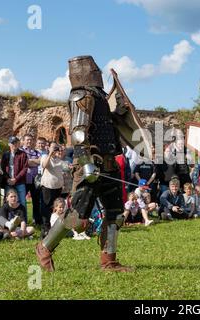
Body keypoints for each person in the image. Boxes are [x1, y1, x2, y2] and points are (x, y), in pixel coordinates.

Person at [36, 55, 149, 272]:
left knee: (115, 215)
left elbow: (106, 126)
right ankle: (44, 247)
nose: (99, 72)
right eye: (95, 69)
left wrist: (119, 113)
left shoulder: (99, 98)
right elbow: (78, 134)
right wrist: (87, 165)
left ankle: (109, 261)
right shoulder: (81, 96)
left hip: (109, 164)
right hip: (91, 165)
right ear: (86, 72)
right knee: (78, 219)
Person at [40, 142, 69, 238]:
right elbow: (44, 165)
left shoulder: (59, 160)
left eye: (56, 148)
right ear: (48, 148)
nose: (55, 150)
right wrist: (50, 154)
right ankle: (45, 229)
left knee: (56, 208)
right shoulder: (45, 156)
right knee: (46, 208)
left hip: (58, 188)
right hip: (48, 187)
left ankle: (55, 228)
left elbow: (66, 168)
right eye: (53, 148)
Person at [1, 136, 28, 219]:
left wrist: (16, 179)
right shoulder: (6, 154)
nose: (14, 144)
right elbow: (2, 168)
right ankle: (5, 222)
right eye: (12, 143)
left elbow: (25, 168)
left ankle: (24, 222)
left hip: (20, 182)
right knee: (7, 202)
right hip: (8, 182)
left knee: (22, 202)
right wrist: (8, 179)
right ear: (9, 144)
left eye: (16, 143)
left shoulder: (23, 154)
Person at [20, 134, 42, 226]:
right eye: (27, 140)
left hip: (35, 180)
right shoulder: (20, 151)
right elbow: (24, 163)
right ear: (23, 141)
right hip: (24, 180)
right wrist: (33, 162)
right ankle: (22, 220)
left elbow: (40, 161)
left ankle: (36, 221)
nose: (29, 141)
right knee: (22, 201)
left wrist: (30, 162)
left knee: (36, 201)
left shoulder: (36, 152)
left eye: (30, 140)